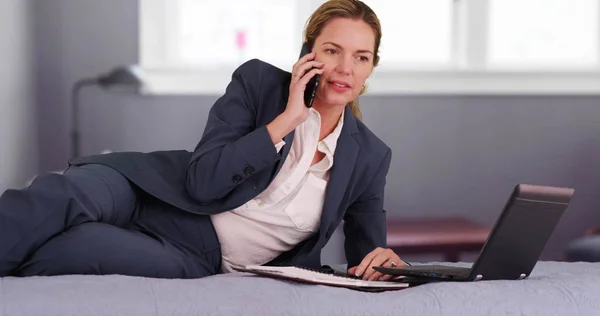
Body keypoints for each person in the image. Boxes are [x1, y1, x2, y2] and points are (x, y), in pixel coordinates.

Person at [0, 0, 406, 281]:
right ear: (308, 52)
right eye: (332, 50)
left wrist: (383, 262)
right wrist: (286, 122)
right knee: (62, 195)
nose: (345, 68)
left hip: (199, 253)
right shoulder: (259, 83)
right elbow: (204, 181)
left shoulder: (370, 156)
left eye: (361, 57)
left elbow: (366, 261)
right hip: (150, 190)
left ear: (372, 67)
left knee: (74, 250)